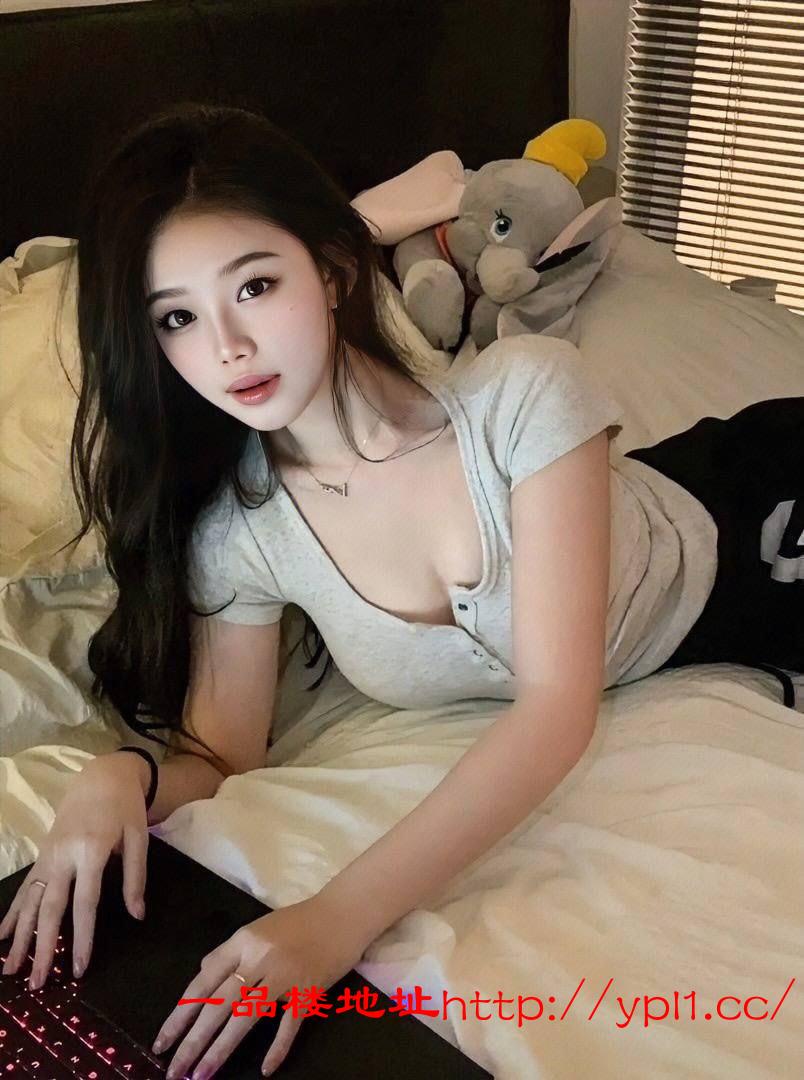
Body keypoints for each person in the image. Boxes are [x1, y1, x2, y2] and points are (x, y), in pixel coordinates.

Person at [1, 101, 801, 1078]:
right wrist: (116, 777)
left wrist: (335, 919)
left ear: (335, 271)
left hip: (758, 520)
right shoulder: (240, 533)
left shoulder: (524, 396)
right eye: (177, 317)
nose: (227, 346)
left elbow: (556, 711)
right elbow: (221, 754)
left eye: (255, 285)